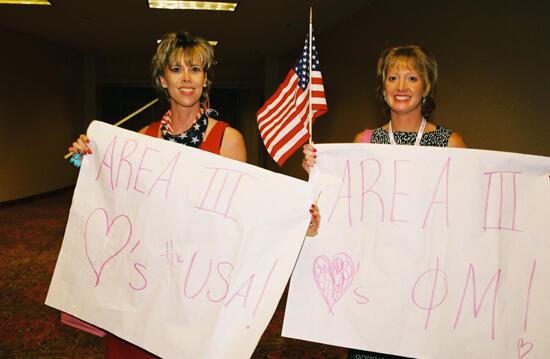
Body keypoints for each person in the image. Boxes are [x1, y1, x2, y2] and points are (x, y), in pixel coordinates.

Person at [68, 31, 319, 358]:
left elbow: (242, 217)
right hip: (144, 280)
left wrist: (299, 218)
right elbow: (115, 197)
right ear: (162, 79)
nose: (186, 78)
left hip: (195, 286)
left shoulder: (227, 139)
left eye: (196, 69)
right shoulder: (142, 138)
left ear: (206, 80)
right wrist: (81, 157)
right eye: (176, 69)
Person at [301, 45, 466, 359]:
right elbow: (344, 213)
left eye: (412, 78)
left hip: (426, 288)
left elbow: (465, 217)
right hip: (373, 289)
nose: (401, 87)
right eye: (393, 78)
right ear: (383, 87)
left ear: (426, 87)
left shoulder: (450, 144)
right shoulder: (363, 143)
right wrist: (319, 175)